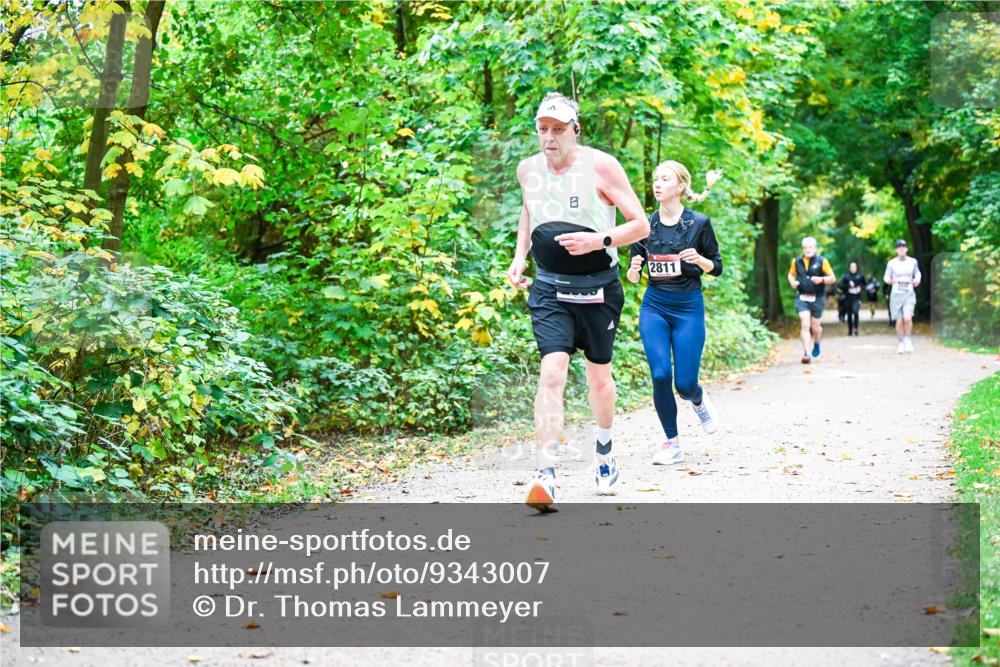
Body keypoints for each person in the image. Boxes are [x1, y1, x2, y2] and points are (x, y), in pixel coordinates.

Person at [507, 92, 649, 511]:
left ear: (575, 129)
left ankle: (605, 453)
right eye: (542, 130)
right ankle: (545, 473)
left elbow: (640, 225)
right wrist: (520, 256)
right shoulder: (527, 170)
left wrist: (598, 240)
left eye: (558, 130)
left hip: (599, 287)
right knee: (552, 372)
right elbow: (528, 212)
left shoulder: (602, 166)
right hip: (550, 288)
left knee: (598, 378)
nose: (549, 138)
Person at [627, 161, 723, 467]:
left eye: (664, 179)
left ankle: (697, 398)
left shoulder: (699, 224)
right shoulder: (644, 225)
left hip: (688, 307)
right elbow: (632, 275)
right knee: (659, 375)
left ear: (679, 186)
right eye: (655, 179)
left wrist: (702, 260)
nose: (657, 184)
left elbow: (716, 267)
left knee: (683, 383)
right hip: (654, 305)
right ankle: (672, 442)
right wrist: (633, 269)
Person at [787, 237, 836, 364]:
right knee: (805, 323)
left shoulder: (822, 261)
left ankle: (817, 343)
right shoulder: (796, 261)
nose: (807, 250)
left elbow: (832, 278)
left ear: (815, 248)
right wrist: (792, 282)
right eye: (805, 248)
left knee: (816, 327)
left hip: (817, 298)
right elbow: (791, 274)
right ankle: (806, 353)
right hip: (802, 297)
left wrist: (821, 279)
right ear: (803, 249)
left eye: (810, 247)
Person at [884, 239, 922, 354]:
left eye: (903, 247)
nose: (901, 249)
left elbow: (918, 273)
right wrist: (890, 281)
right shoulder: (891, 263)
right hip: (896, 294)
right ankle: (901, 343)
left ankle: (908, 340)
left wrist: (917, 279)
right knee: (899, 321)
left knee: (907, 318)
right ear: (896, 250)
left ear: (906, 249)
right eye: (899, 247)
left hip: (908, 293)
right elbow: (886, 277)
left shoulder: (913, 262)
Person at [839, 261, 865, 336]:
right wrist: (848, 285)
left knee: (856, 312)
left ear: (856, 268)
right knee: (849, 314)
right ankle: (850, 330)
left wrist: (860, 288)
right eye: (851, 267)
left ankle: (856, 329)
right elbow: (840, 286)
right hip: (848, 298)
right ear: (849, 268)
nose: (853, 268)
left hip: (856, 298)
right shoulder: (845, 276)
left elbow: (864, 285)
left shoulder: (860, 276)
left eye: (854, 267)